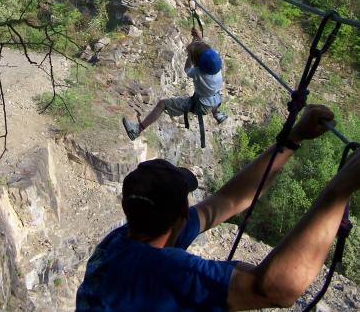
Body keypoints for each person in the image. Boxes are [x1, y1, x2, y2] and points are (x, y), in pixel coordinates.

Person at [77, 105, 360, 311]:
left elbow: (228, 201)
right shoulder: (163, 270)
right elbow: (274, 289)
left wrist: (292, 139)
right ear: (178, 218)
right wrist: (340, 189)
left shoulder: (120, 241)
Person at [123, 28, 225, 141]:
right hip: (215, 98)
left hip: (201, 105)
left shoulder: (197, 73)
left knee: (162, 104)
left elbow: (187, 68)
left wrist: (190, 54)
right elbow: (208, 52)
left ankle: (137, 130)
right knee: (212, 93)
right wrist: (199, 40)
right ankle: (217, 114)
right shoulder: (216, 63)